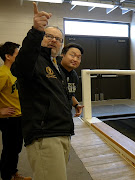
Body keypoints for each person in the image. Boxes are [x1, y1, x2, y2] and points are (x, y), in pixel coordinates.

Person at [11, 3, 73, 180]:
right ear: (41, 37)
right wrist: (36, 31)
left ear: (62, 44)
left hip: (62, 132)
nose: (53, 40)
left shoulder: (55, 67)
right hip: (45, 135)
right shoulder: (34, 60)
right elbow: (21, 66)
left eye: (58, 39)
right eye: (48, 36)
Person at [0, 42, 32, 180]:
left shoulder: (14, 72)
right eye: (17, 54)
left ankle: (13, 173)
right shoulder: (3, 74)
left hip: (19, 116)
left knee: (16, 148)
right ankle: (7, 176)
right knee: (9, 149)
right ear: (8, 56)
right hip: (9, 119)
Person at [58, 43, 84, 117]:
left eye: (78, 57)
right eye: (72, 55)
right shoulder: (53, 70)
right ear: (63, 54)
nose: (75, 59)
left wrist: (76, 105)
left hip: (65, 115)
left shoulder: (74, 76)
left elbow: (69, 94)